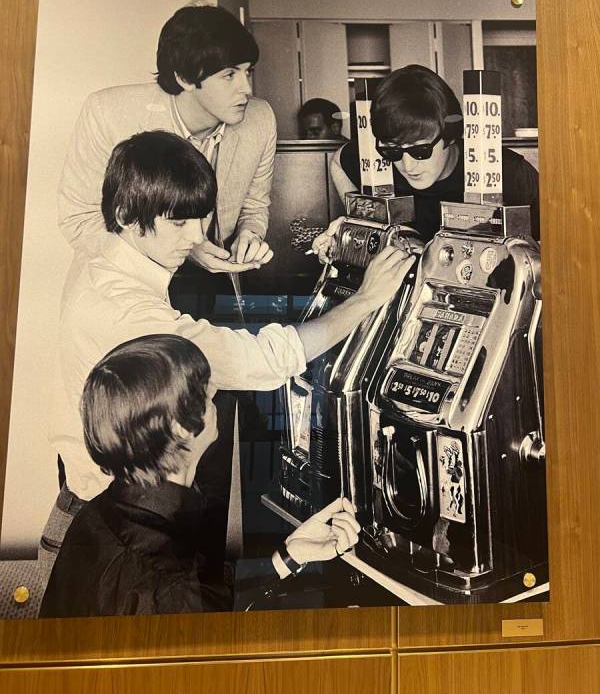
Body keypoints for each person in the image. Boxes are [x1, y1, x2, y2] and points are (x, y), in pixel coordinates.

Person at [40, 130, 413, 585]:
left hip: (100, 514)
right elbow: (262, 360)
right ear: (127, 217)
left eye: (200, 218)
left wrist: (191, 250)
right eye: (179, 223)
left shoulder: (101, 257)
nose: (197, 235)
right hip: (110, 535)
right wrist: (365, 300)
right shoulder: (129, 312)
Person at [39, 334, 361, 618]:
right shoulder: (163, 583)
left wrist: (290, 555)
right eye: (208, 394)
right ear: (183, 427)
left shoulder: (99, 512)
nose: (216, 399)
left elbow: (203, 597)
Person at [58, 3, 275, 271]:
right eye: (229, 75)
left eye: (248, 71)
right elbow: (80, 219)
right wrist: (187, 248)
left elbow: (254, 205)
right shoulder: (109, 114)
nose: (247, 89)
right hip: (129, 279)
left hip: (217, 279)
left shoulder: (261, 118)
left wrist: (250, 235)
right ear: (184, 78)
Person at [324, 65, 540, 248]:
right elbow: (338, 161)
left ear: (450, 135)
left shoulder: (510, 173)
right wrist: (359, 217)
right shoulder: (375, 162)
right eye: (393, 151)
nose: (407, 165)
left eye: (420, 151)